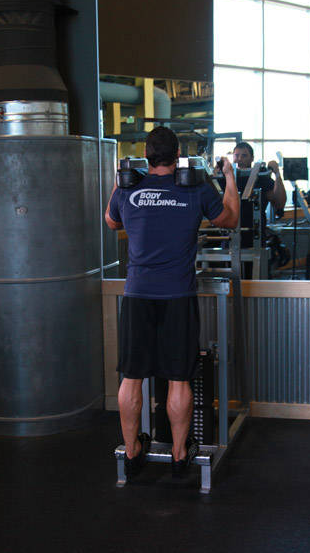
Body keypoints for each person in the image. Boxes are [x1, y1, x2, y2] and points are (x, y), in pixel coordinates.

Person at [105, 126, 240, 479]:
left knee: (131, 377)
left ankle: (133, 451)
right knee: (179, 379)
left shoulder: (128, 190)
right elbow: (230, 219)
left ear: (146, 156)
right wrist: (228, 177)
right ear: (178, 154)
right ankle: (180, 455)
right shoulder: (194, 188)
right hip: (178, 296)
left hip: (137, 295)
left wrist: (121, 179)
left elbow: (110, 219)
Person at [231, 141, 287, 216]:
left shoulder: (261, 178)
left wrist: (277, 173)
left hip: (256, 226)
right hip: (230, 226)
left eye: (244, 156)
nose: (240, 159)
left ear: (252, 158)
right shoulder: (227, 179)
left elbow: (279, 204)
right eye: (236, 155)